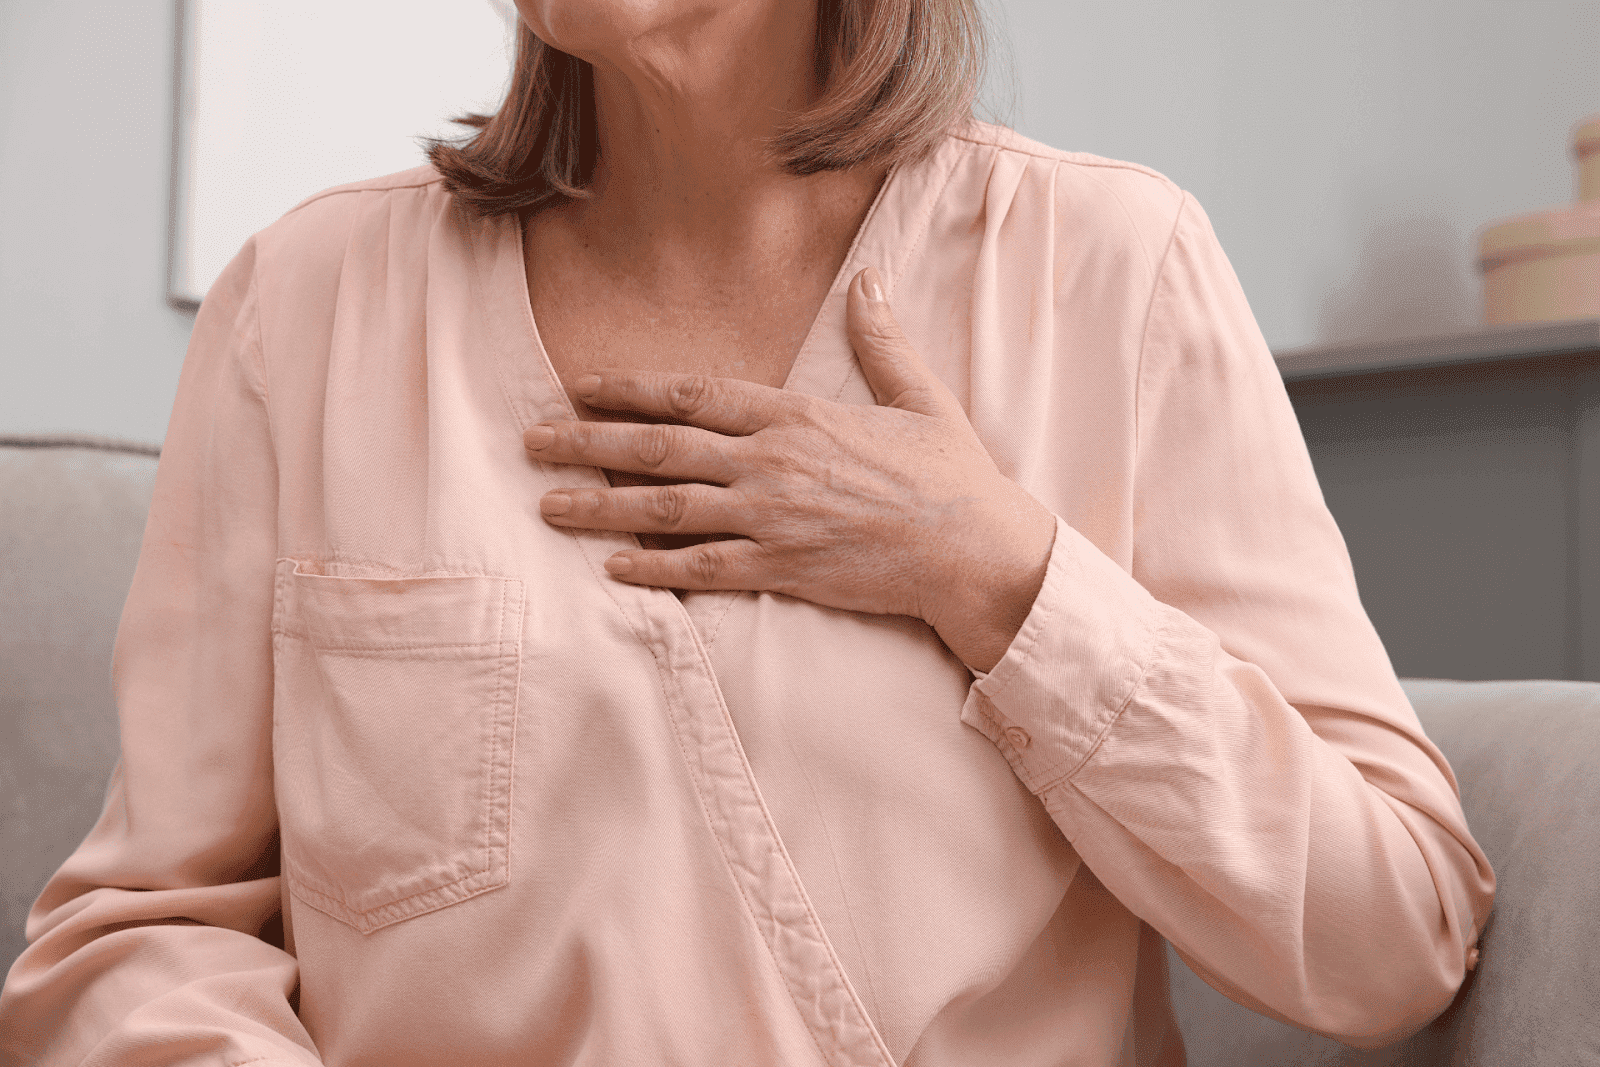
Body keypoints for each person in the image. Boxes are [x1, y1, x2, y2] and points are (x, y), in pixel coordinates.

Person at [0, 0, 1496, 1064]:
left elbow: (1394, 933)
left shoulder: (1110, 277)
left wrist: (1002, 575)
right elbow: (134, 936)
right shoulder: (308, 307)